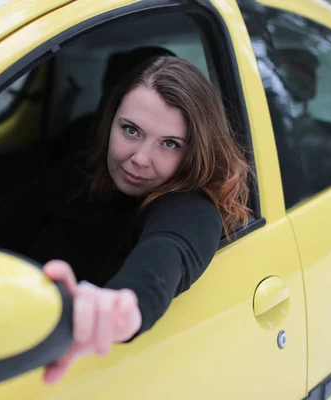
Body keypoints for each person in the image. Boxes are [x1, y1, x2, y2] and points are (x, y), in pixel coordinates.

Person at [32, 55, 252, 384]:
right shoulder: (81, 171)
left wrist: (121, 307)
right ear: (110, 120)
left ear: (196, 152)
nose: (140, 158)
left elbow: (167, 253)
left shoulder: (191, 207)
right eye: (131, 130)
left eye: (169, 144)